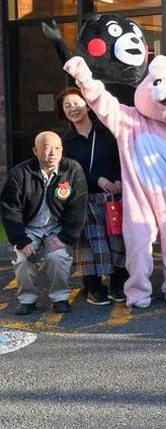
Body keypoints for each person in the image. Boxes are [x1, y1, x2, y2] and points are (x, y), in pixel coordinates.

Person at [1, 131, 88, 315]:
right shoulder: (20, 173)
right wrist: (21, 241)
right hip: (29, 229)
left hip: (57, 228)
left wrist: (65, 238)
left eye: (57, 148)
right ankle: (27, 300)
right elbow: (10, 209)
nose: (52, 153)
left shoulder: (72, 170)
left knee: (57, 258)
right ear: (35, 150)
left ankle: (60, 298)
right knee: (22, 259)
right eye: (47, 148)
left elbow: (78, 207)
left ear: (62, 150)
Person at [58, 88, 127, 305]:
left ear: (87, 105)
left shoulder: (107, 131)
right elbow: (67, 169)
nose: (72, 109)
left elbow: (122, 156)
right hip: (85, 197)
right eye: (67, 106)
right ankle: (94, 287)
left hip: (113, 196)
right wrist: (97, 179)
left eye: (76, 103)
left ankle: (119, 284)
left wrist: (117, 179)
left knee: (117, 240)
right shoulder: (66, 141)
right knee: (89, 244)